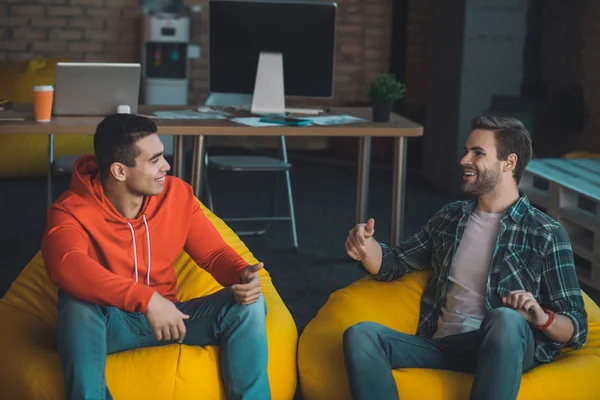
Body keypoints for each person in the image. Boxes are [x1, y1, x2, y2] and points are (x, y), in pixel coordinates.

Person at [343, 116, 588, 400]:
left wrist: (541, 317)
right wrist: (366, 247)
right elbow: (394, 262)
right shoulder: (451, 217)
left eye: (478, 153)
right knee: (361, 335)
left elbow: (577, 327)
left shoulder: (545, 232)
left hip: (503, 347)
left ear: (509, 163)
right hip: (445, 346)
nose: (464, 160)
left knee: (505, 320)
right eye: (466, 151)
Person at [41, 114, 270, 400]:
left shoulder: (177, 194)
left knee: (247, 304)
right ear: (119, 171)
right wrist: (146, 299)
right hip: (112, 324)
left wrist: (242, 274)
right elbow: (67, 265)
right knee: (76, 302)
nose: (167, 166)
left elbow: (213, 254)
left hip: (173, 319)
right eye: (154, 160)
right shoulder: (70, 210)